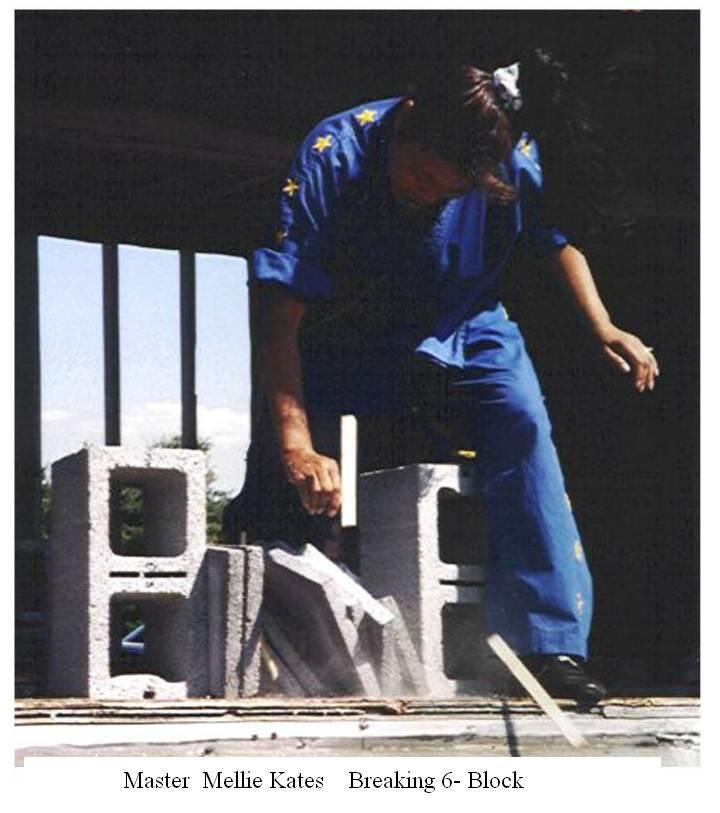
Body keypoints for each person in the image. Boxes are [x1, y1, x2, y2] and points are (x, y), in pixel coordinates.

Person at [224, 53, 659, 704]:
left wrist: (601, 324)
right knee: (290, 463)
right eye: (419, 176)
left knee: (521, 419)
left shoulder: (507, 153)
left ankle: (548, 644)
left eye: (448, 191)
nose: (426, 194)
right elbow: (277, 312)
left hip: (467, 316)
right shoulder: (331, 153)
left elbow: (554, 238)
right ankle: (274, 625)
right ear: (407, 118)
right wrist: (296, 444)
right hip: (349, 323)